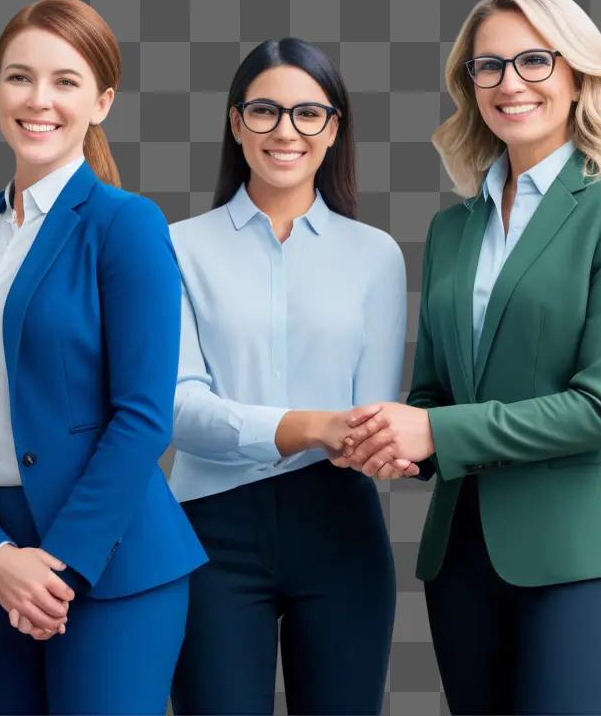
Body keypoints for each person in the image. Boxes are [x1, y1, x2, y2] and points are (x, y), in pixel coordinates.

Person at [337, 0, 601, 715]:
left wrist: (435, 430)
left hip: (582, 555)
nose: (508, 83)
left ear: (578, 72)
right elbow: (436, 391)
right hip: (462, 556)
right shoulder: (454, 230)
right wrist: (392, 440)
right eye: (487, 67)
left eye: (533, 61)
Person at [0, 0, 207, 716]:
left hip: (110, 559)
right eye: (19, 77)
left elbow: (144, 416)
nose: (40, 100)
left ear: (103, 101)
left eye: (66, 81)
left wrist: (56, 566)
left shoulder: (125, 225)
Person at [168, 38, 408, 716]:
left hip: (340, 527)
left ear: (334, 130)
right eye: (265, 110)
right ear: (235, 122)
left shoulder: (375, 257)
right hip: (208, 532)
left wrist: (344, 433)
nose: (285, 131)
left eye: (309, 113)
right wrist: (313, 426)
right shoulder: (176, 245)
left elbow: (373, 417)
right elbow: (177, 409)